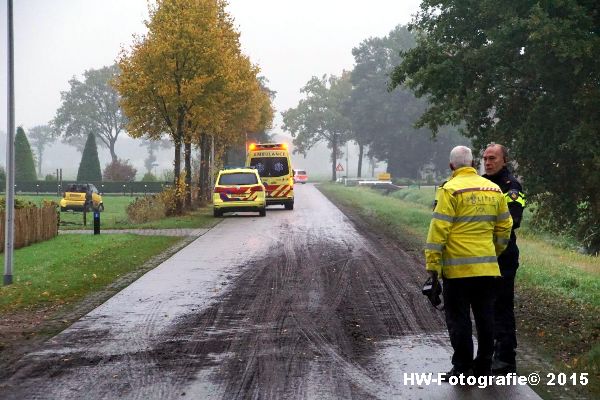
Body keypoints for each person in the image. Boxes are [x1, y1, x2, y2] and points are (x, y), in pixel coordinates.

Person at [425, 146, 513, 378]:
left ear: (451, 166)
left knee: (459, 319)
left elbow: (438, 232)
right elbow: (505, 227)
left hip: (457, 270)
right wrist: (493, 251)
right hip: (487, 268)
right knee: (485, 317)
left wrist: (433, 267)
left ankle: (463, 367)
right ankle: (483, 365)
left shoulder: (449, 190)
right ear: (474, 163)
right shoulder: (494, 190)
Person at [482, 143, 526, 374]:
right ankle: (489, 354)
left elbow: (514, 220)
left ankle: (506, 359)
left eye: (493, 158)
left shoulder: (512, 186)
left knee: (502, 307)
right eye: (485, 159)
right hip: (481, 256)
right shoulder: (480, 184)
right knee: (484, 307)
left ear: (504, 161)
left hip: (504, 257)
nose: (488, 163)